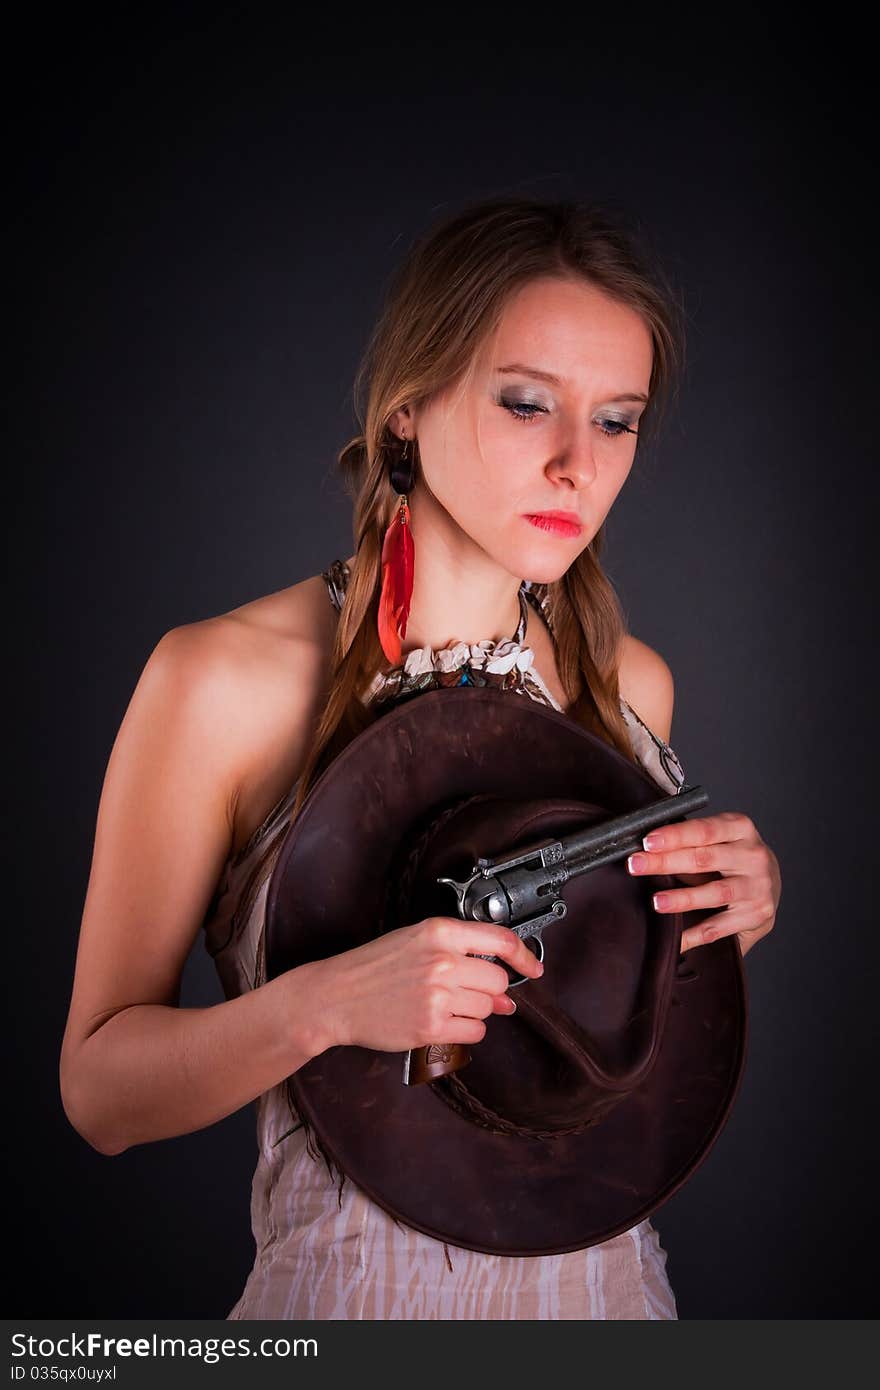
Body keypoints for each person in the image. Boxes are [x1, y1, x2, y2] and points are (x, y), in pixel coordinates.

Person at [59, 196, 781, 1319]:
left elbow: (611, 1053)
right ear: (407, 412)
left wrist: (722, 912)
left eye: (617, 420)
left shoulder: (629, 685)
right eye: (525, 402)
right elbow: (100, 1092)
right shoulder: (221, 682)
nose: (571, 465)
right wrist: (326, 1005)